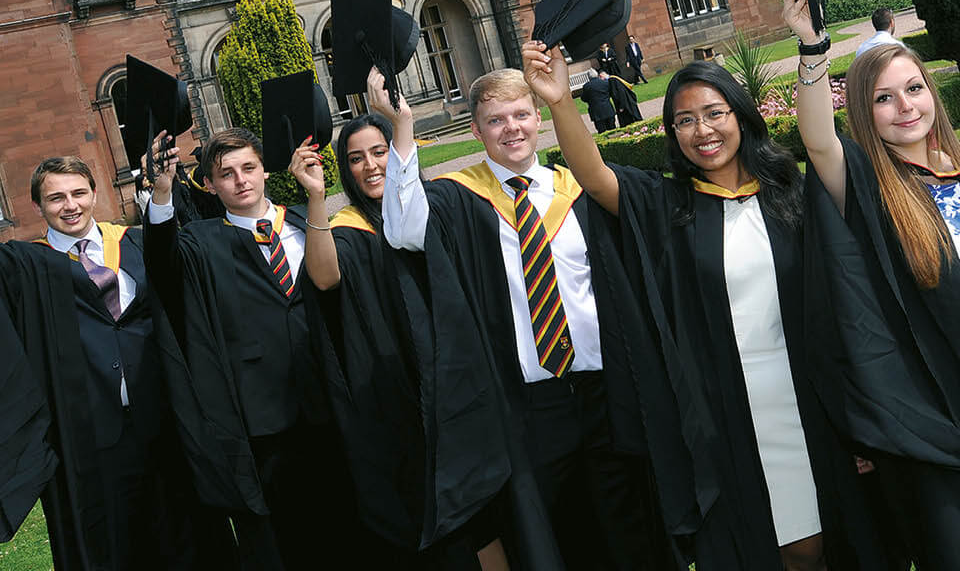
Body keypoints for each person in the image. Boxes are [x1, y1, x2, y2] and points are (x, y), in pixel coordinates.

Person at [522, 39, 898, 571]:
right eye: (685, 120)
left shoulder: (790, 192)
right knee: (770, 547)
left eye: (714, 113)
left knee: (829, 541)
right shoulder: (669, 206)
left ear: (740, 115)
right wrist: (561, 101)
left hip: (810, 398)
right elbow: (596, 176)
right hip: (729, 413)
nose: (702, 130)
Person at [381, 65, 677, 570]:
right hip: (529, 406)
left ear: (538, 118)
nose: (511, 128)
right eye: (495, 120)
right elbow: (403, 230)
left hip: (605, 393)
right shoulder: (458, 198)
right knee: (551, 540)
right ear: (476, 131)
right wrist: (401, 127)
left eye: (520, 115)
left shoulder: (577, 189)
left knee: (629, 533)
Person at [291, 109, 522, 570]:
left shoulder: (429, 207)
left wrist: (402, 127)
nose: (371, 165)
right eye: (356, 158)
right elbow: (324, 277)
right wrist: (315, 198)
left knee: (486, 514)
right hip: (402, 398)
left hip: (459, 379)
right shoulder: (348, 228)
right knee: (440, 520)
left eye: (379, 152)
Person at [782, 0, 960, 569]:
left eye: (914, 89)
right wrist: (812, 48)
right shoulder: (867, 185)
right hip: (933, 414)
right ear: (864, 110)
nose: (905, 106)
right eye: (885, 98)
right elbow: (818, 141)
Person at [0, 156, 236, 570]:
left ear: (95, 194)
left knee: (189, 537)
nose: (70, 205)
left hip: (164, 422)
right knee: (111, 549)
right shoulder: (24, 268)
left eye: (78, 193)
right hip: (88, 440)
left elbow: (177, 282)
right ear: (37, 206)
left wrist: (162, 193)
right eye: (55, 198)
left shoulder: (136, 244)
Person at [143, 128, 360, 570]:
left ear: (265, 171)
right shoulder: (199, 242)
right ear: (209, 184)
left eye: (249, 168)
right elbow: (162, 264)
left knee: (352, 526)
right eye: (226, 174)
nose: (241, 180)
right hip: (264, 422)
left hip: (333, 401)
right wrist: (162, 193)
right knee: (292, 541)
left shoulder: (305, 220)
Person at [581, 68, 617, 133]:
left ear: (589, 77)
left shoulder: (586, 86)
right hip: (607, 108)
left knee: (601, 131)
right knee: (613, 129)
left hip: (596, 112)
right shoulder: (605, 82)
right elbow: (611, 93)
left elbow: (584, 98)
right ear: (597, 75)